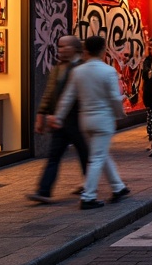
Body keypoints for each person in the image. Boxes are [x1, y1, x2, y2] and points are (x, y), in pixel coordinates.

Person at [51, 35, 129, 209]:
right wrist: (119, 115)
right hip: (104, 119)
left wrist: (58, 117)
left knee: (101, 153)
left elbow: (68, 97)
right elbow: (115, 99)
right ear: (103, 50)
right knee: (97, 157)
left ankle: (118, 187)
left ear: (86, 51)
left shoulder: (78, 71)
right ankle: (88, 196)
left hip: (85, 120)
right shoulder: (108, 71)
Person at [28, 34, 89, 203]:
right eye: (59, 46)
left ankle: (90, 187)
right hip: (60, 122)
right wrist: (41, 114)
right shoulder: (58, 68)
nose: (60, 50)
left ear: (75, 48)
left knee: (85, 155)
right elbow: (49, 94)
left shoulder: (83, 68)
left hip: (78, 121)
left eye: (64, 46)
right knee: (54, 156)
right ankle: (44, 191)